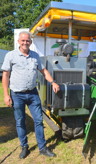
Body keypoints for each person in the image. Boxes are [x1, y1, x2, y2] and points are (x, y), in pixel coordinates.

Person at [1, 31, 60, 159]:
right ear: (18, 41)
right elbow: (5, 75)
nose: (25, 42)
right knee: (20, 121)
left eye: (27, 40)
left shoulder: (35, 56)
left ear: (30, 42)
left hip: (33, 93)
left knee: (38, 120)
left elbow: (43, 71)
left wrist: (53, 82)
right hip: (17, 94)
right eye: (23, 40)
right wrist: (6, 95)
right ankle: (24, 147)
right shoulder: (11, 56)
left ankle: (42, 148)